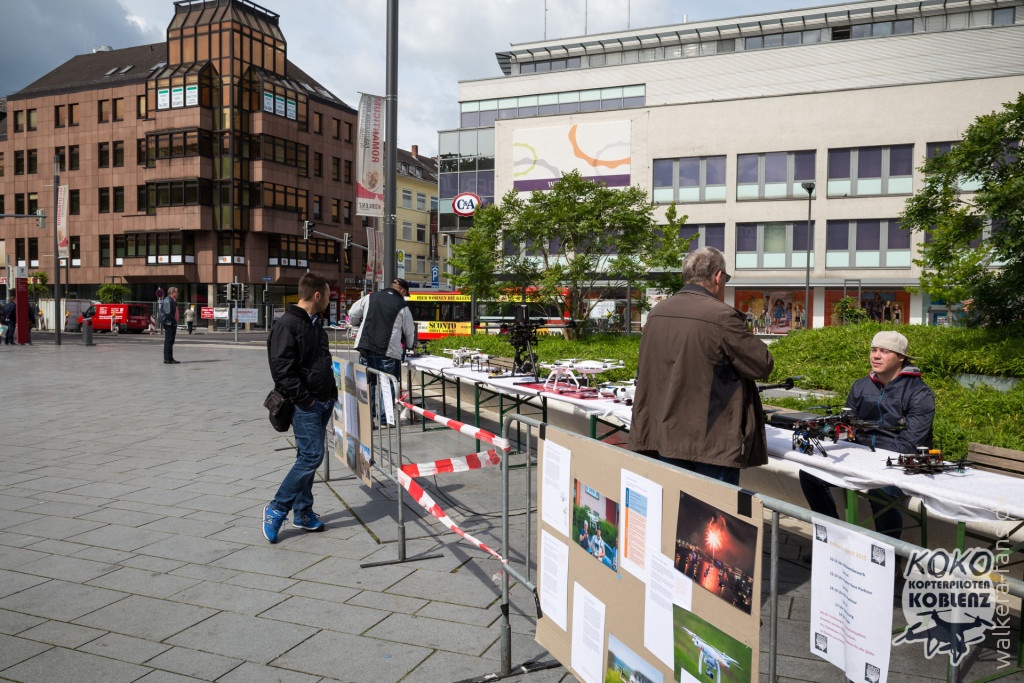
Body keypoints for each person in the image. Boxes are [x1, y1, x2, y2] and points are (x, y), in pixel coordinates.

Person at [628, 247, 775, 486]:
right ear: (718, 277)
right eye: (725, 279)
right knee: (711, 517)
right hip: (709, 440)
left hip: (663, 433)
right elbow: (762, 364)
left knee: (672, 511)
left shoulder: (656, 313)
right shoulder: (722, 316)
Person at [799, 331, 935, 539]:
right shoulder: (861, 385)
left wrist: (872, 461)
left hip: (900, 465)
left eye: (884, 351)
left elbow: (910, 443)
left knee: (881, 492)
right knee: (810, 475)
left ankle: (891, 562)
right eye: (873, 350)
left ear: (901, 357)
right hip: (860, 459)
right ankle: (834, 541)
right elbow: (846, 427)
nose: (876, 356)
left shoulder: (919, 392)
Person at [263, 271, 339, 543]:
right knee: (311, 457)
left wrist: (330, 395)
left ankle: (303, 511)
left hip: (322, 400)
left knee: (306, 456)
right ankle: (277, 507)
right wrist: (306, 400)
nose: (330, 300)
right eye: (329, 295)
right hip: (305, 403)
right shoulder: (287, 324)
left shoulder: (314, 323)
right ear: (317, 295)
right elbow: (282, 371)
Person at [348, 278, 417, 425]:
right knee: (388, 385)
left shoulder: (370, 297)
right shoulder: (401, 305)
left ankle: (368, 419)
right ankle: (385, 420)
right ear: (402, 291)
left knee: (369, 383)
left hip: (366, 347)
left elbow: (353, 312)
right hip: (389, 352)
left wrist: (355, 322)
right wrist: (410, 346)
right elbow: (409, 330)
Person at [160, 287, 180, 363]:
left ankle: (168, 358)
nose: (177, 294)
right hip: (169, 323)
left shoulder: (172, 300)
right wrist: (174, 321)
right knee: (169, 341)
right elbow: (168, 313)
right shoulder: (168, 300)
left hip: (170, 322)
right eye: (176, 292)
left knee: (170, 341)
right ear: (172, 293)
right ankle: (168, 359)